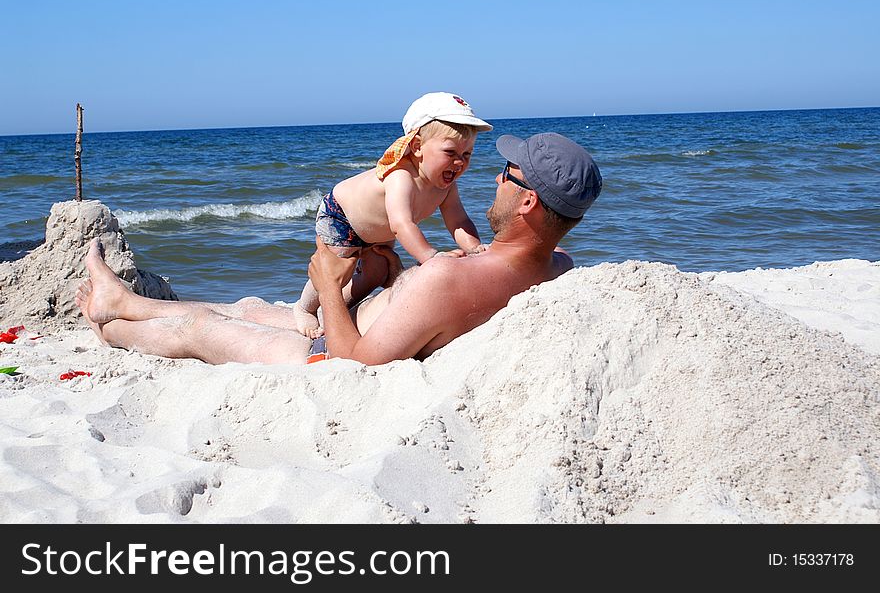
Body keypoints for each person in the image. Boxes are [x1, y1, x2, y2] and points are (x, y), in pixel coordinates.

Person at [76, 132, 603, 367]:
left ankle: (113, 321)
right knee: (252, 309)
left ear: (528, 201)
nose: (494, 178)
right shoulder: (558, 268)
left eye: (507, 175)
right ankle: (126, 301)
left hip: (326, 352)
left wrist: (328, 286)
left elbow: (353, 363)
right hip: (372, 320)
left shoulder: (451, 277)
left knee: (203, 332)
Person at [292, 92, 493, 339]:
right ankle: (305, 307)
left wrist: (474, 247)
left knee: (377, 271)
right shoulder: (402, 177)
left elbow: (458, 220)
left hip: (376, 230)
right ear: (418, 147)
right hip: (342, 215)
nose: (459, 162)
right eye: (450, 153)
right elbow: (401, 224)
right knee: (337, 267)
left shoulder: (447, 187)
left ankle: (340, 307)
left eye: (467, 155)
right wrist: (430, 258)